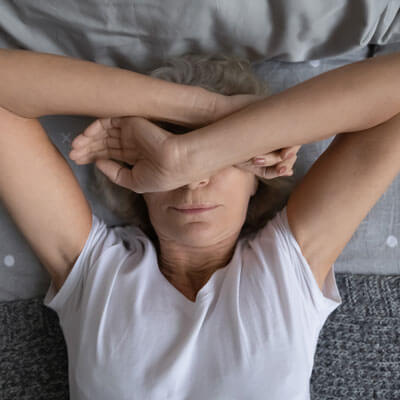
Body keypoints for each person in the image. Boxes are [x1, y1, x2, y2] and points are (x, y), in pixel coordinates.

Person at [0, 49, 399, 399]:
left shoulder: (288, 268)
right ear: (139, 184)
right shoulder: (94, 274)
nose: (195, 179)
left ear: (258, 183)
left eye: (221, 159)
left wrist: (199, 149)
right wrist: (204, 111)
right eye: (164, 157)